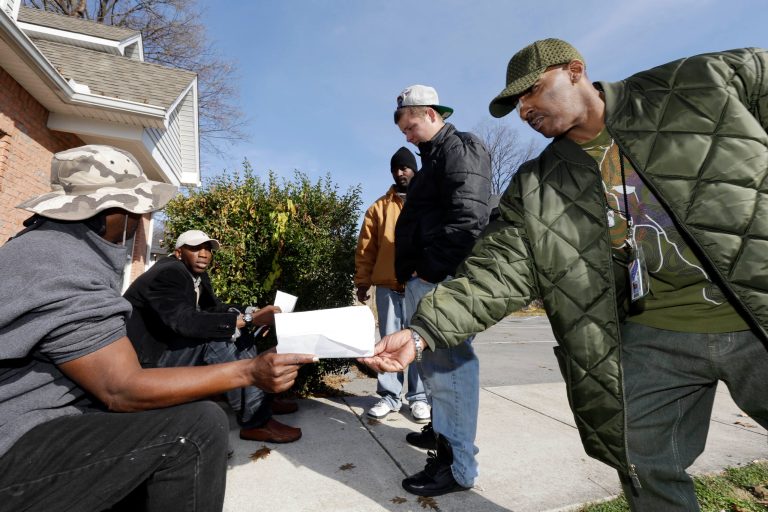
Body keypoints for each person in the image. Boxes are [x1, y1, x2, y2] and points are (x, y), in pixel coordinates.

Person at [363, 40, 768, 511]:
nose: (524, 111)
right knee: (640, 460)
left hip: (754, 309)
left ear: (575, 71)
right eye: (517, 104)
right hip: (656, 334)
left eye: (531, 92)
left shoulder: (690, 87)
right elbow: (501, 267)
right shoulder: (539, 182)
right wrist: (422, 332)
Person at [0, 145, 315, 512]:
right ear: (108, 214)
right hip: (25, 429)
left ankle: (261, 406)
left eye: (209, 249)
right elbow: (129, 379)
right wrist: (249, 370)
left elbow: (214, 311)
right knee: (198, 427)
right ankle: (256, 416)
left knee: (228, 337)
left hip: (54, 401)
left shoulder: (37, 247)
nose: (138, 219)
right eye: (134, 209)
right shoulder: (83, 266)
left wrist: (245, 316)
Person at [392, 85, 492, 497]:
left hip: (441, 280)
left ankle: (457, 468)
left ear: (431, 114)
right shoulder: (433, 159)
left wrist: (430, 270)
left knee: (451, 371)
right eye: (403, 131)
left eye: (411, 125)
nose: (408, 136)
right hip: (428, 279)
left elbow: (470, 217)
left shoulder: (460, 147)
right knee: (436, 371)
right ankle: (444, 435)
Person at [124, 229, 302, 444]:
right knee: (218, 339)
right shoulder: (168, 272)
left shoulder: (195, 275)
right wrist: (249, 318)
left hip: (172, 348)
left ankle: (259, 399)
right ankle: (256, 422)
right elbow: (184, 321)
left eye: (208, 249)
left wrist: (252, 312)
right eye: (196, 248)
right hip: (148, 361)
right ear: (179, 252)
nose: (204, 254)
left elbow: (213, 310)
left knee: (237, 332)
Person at [355, 147, 430, 423]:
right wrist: (362, 282)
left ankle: (420, 398)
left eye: (406, 167)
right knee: (387, 343)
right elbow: (366, 251)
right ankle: (389, 396)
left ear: (414, 170)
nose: (400, 173)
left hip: (419, 285)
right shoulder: (378, 208)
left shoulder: (426, 203)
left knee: (418, 342)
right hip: (387, 287)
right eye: (396, 169)